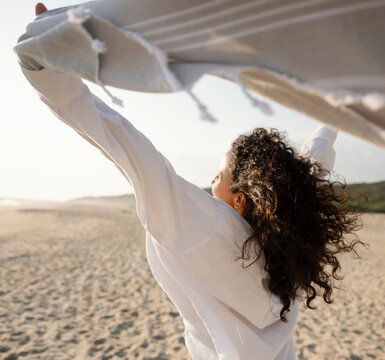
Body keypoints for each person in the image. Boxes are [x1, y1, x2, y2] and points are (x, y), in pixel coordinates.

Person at [21, 4, 363, 359]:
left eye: (222, 171)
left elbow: (130, 149)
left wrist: (45, 67)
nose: (213, 176)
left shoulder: (206, 228)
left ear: (243, 199)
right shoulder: (287, 237)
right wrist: (336, 109)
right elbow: (313, 161)